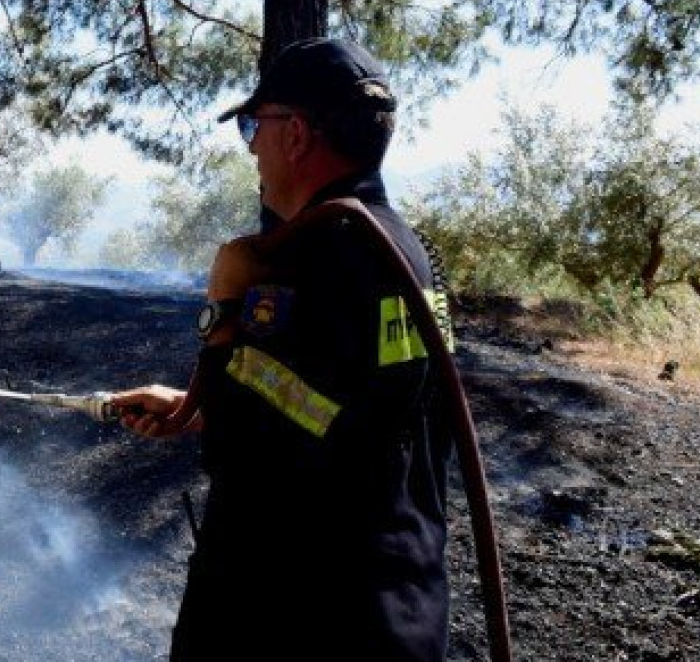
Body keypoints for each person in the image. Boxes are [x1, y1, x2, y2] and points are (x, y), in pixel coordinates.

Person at [112, 38, 456, 661]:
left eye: (254, 126)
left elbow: (244, 452)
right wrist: (198, 404)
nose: (251, 149)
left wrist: (221, 306)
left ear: (295, 134)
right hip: (398, 610)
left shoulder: (308, 258)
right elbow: (348, 416)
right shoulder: (406, 250)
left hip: (295, 618)